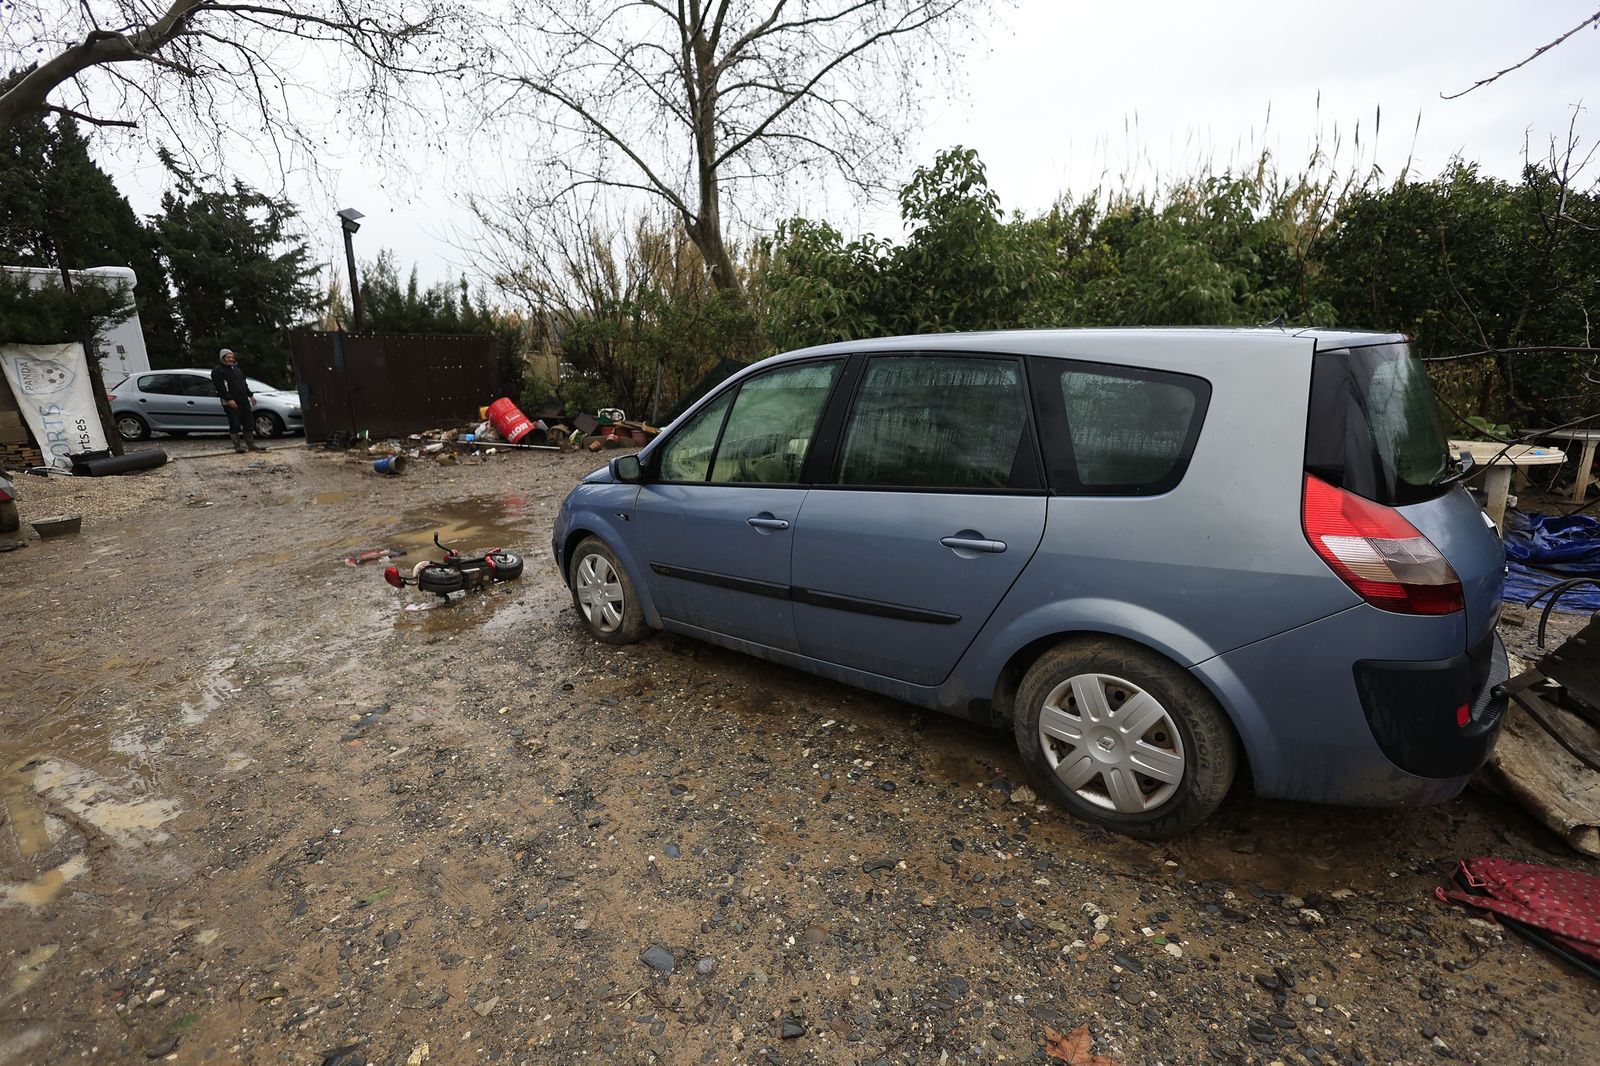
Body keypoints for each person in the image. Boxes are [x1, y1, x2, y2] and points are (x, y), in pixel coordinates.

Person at [211, 348, 265, 453]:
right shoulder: (218, 370)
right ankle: (237, 446)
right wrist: (229, 399)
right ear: (223, 358)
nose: (230, 359)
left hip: (243, 400)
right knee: (235, 423)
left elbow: (244, 384)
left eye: (232, 357)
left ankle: (251, 445)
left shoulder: (237, 369)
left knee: (248, 422)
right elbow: (220, 387)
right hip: (230, 402)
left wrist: (250, 395)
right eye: (228, 357)